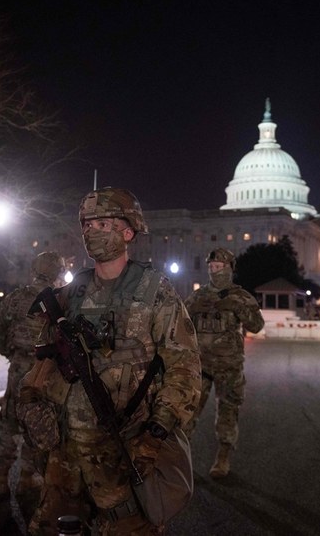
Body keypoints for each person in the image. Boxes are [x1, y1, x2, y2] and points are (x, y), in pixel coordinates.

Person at [17, 186, 201, 535]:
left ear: (128, 231)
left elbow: (183, 369)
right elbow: (42, 363)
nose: (91, 231)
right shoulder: (69, 295)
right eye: (87, 225)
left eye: (102, 224)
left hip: (123, 452)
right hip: (65, 456)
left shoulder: (155, 291)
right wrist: (31, 401)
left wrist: (156, 433)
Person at [0, 251, 66, 497]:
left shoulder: (15, 297)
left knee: (10, 423)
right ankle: (26, 478)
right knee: (36, 424)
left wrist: (12, 354)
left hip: (18, 367)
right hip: (45, 372)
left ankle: (0, 479)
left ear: (33, 269)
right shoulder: (61, 301)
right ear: (58, 273)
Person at [183, 247, 265, 478]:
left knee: (228, 413)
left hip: (228, 368)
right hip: (200, 366)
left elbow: (257, 326)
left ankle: (223, 457)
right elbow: (180, 324)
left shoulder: (241, 296)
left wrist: (241, 308)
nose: (213, 271)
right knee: (186, 413)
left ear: (229, 268)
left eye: (218, 267)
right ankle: (180, 461)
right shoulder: (198, 297)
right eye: (211, 267)